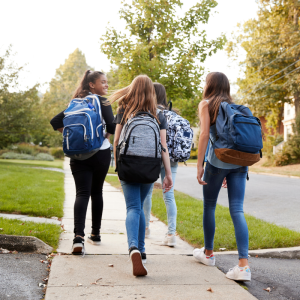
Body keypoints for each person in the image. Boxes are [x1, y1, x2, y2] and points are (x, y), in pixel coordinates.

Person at [111, 75, 173, 276]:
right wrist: (168, 174)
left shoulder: (124, 110)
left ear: (133, 89)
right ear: (151, 92)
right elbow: (163, 147)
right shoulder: (158, 114)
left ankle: (133, 248)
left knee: (133, 207)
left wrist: (117, 167)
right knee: (141, 205)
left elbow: (116, 141)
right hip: (149, 167)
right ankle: (142, 249)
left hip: (128, 164)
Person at [193, 72, 251, 282]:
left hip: (217, 162)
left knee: (209, 205)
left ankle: (208, 254)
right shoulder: (236, 107)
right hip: (240, 162)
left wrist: (199, 165)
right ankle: (243, 266)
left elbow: (204, 135)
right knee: (237, 209)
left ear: (209, 85)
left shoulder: (207, 104)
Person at [50, 70, 115, 255]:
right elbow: (111, 125)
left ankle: (78, 237)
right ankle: (95, 233)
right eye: (103, 82)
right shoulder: (103, 101)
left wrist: (73, 136)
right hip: (100, 153)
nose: (106, 85)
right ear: (92, 85)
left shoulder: (75, 103)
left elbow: (55, 121)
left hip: (77, 156)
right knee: (97, 192)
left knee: (82, 193)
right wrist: (103, 137)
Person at [143, 83, 178, 246]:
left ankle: (145, 229)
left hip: (154, 156)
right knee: (169, 195)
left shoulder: (150, 113)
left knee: (147, 193)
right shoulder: (173, 113)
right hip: (172, 159)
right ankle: (171, 234)